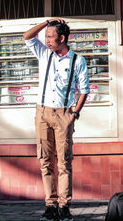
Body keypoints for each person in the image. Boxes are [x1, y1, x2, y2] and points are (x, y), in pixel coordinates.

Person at [23, 19, 89, 221]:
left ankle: (64, 205)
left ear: (62, 38)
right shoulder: (44, 53)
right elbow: (27, 37)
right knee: (45, 160)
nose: (47, 40)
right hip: (42, 112)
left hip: (63, 114)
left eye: (51, 37)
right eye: (46, 37)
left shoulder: (78, 60)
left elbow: (84, 90)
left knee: (64, 162)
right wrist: (46, 23)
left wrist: (74, 114)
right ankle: (50, 204)